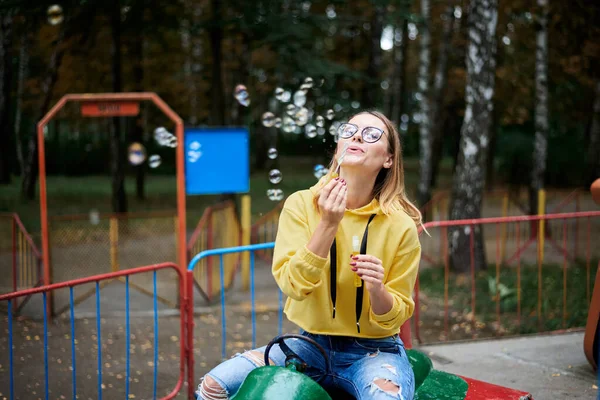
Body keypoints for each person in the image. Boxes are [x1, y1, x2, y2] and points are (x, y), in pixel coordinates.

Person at [197, 110, 422, 400]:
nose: (356, 136)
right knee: (213, 388)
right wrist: (328, 224)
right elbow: (293, 285)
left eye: (371, 134)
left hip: (375, 350)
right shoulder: (301, 205)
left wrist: (377, 289)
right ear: (340, 147)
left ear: (388, 159)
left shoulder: (400, 224)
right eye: (350, 130)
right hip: (309, 345)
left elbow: (396, 314)